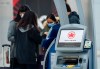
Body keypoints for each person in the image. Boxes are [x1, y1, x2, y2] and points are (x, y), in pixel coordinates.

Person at [7, 5, 30, 69]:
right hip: (16, 55)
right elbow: (9, 37)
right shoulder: (13, 23)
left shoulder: (29, 24)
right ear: (20, 13)